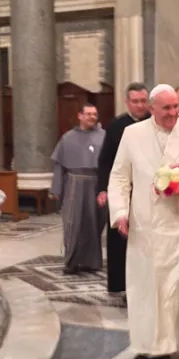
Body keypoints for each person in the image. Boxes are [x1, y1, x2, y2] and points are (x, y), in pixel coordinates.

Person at [107, 83, 179, 359]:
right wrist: (120, 212)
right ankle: (151, 345)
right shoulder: (132, 134)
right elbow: (120, 176)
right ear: (151, 108)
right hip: (147, 223)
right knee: (149, 286)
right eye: (166, 107)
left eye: (175, 107)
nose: (172, 112)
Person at [97, 82, 151, 296]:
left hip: (147, 190)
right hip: (121, 189)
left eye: (143, 101)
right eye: (135, 101)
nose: (140, 105)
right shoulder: (117, 125)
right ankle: (118, 283)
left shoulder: (154, 123)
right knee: (118, 237)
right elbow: (105, 160)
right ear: (127, 102)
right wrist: (102, 188)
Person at [50, 103, 107, 275]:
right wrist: (56, 188)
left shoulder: (104, 136)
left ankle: (92, 262)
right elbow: (59, 165)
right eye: (88, 114)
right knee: (72, 224)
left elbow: (110, 164)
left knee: (94, 224)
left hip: (96, 184)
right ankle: (71, 261)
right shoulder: (68, 138)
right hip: (73, 185)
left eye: (94, 114)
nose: (92, 117)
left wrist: (106, 188)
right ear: (79, 116)